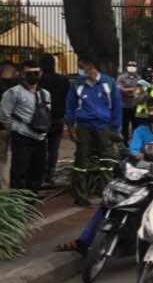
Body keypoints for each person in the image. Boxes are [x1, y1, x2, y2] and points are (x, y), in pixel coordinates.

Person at [57, 98, 153, 255]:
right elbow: (134, 149)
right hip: (137, 174)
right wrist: (143, 155)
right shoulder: (140, 130)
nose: (151, 113)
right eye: (149, 110)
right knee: (110, 202)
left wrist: (148, 154)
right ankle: (85, 241)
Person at [65, 57, 122, 205]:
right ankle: (80, 196)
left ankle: (106, 193)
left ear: (96, 68)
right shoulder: (78, 83)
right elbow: (70, 105)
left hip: (103, 126)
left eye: (89, 68)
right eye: (84, 68)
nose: (86, 72)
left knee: (106, 159)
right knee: (81, 160)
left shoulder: (109, 83)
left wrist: (115, 130)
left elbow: (117, 107)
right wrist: (70, 126)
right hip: (83, 126)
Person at [0, 59, 50, 196]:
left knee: (38, 171)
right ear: (22, 74)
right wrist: (15, 128)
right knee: (19, 172)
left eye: (36, 72)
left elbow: (46, 113)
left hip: (40, 137)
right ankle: (19, 204)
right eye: (29, 72)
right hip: (22, 137)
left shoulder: (45, 94)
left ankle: (30, 200)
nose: (33, 75)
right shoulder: (13, 93)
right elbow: (5, 115)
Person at [39, 54, 69, 186]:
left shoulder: (39, 81)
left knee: (41, 148)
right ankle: (50, 175)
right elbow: (68, 100)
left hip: (41, 119)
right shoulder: (62, 80)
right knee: (54, 148)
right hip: (58, 117)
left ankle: (40, 174)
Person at [116, 60, 140, 141]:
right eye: (130, 65)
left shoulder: (139, 78)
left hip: (136, 105)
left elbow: (140, 91)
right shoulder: (121, 78)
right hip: (123, 105)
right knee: (124, 127)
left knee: (136, 126)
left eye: (134, 65)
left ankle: (135, 144)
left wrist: (127, 90)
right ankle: (124, 145)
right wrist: (133, 91)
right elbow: (120, 90)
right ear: (127, 66)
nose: (132, 67)